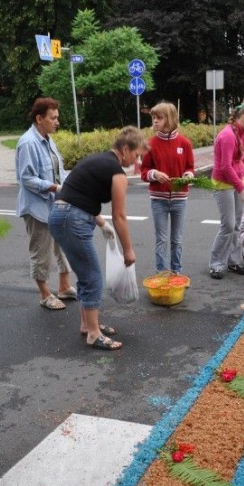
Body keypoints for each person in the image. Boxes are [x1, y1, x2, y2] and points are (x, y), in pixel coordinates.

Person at [48, 126, 145, 351]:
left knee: (85, 274)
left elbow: (80, 191)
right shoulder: (116, 172)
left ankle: (87, 325)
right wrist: (128, 249)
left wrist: (100, 223)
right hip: (72, 219)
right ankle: (93, 333)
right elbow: (120, 215)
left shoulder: (100, 160)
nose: (136, 160)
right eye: (135, 154)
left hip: (62, 215)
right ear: (124, 148)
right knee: (92, 276)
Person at [16, 97, 76, 309]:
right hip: (37, 209)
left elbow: (59, 171)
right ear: (39, 118)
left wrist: (73, 183)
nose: (57, 122)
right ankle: (44, 294)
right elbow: (27, 178)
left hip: (55, 205)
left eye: (57, 118)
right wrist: (53, 187)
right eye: (53, 118)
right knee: (41, 253)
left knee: (63, 246)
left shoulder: (48, 139)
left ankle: (64, 287)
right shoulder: (28, 142)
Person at [208, 103, 244, 279]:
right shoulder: (227, 136)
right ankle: (216, 264)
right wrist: (241, 189)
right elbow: (225, 167)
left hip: (237, 183)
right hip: (223, 184)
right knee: (228, 225)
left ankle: (234, 261)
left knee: (238, 225)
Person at [140, 101, 195, 274]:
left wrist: (189, 175)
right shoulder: (150, 144)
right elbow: (144, 171)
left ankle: (176, 271)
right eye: (153, 118)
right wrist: (154, 174)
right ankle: (162, 272)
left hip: (180, 199)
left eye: (159, 118)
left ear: (170, 119)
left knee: (177, 240)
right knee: (161, 239)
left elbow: (190, 167)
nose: (155, 121)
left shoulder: (184, 143)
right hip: (159, 199)